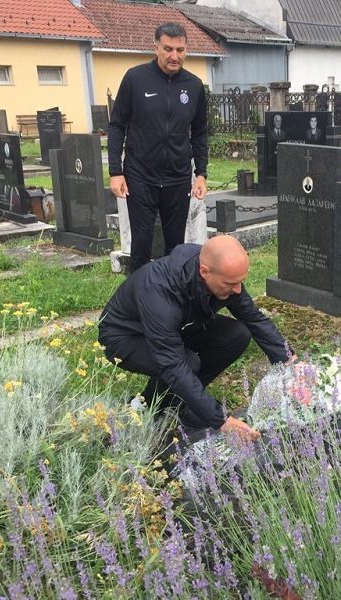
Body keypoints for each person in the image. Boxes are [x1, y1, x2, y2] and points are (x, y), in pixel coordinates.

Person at [98, 235, 293, 442]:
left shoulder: (219, 272)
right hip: (125, 336)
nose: (238, 290)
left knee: (237, 334)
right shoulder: (160, 291)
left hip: (179, 325)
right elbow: (172, 364)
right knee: (187, 363)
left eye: (240, 282)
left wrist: (289, 361)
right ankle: (146, 406)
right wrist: (221, 421)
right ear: (204, 272)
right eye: (231, 283)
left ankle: (184, 402)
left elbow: (253, 318)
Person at [108, 22, 209, 273]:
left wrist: (201, 173)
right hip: (140, 175)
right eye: (168, 49)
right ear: (156, 48)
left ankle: (170, 290)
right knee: (141, 243)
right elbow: (117, 125)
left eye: (180, 50)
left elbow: (199, 132)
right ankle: (138, 291)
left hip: (177, 176)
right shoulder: (135, 78)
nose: (174, 56)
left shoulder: (194, 86)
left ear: (186, 50)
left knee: (176, 246)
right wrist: (115, 171)